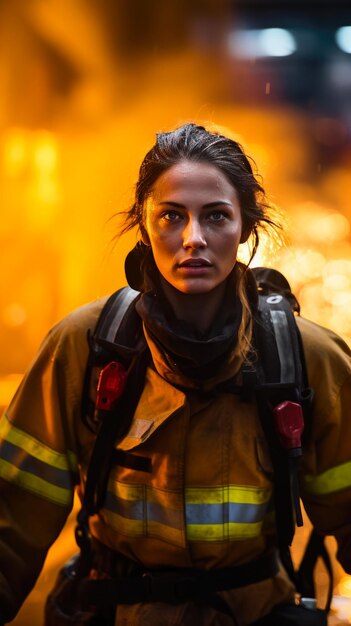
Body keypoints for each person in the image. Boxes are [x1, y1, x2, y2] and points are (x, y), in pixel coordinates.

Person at [0, 122, 351, 626]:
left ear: (247, 228)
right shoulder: (84, 348)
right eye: (170, 216)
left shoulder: (307, 358)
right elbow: (11, 526)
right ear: (144, 227)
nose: (193, 238)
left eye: (216, 216)